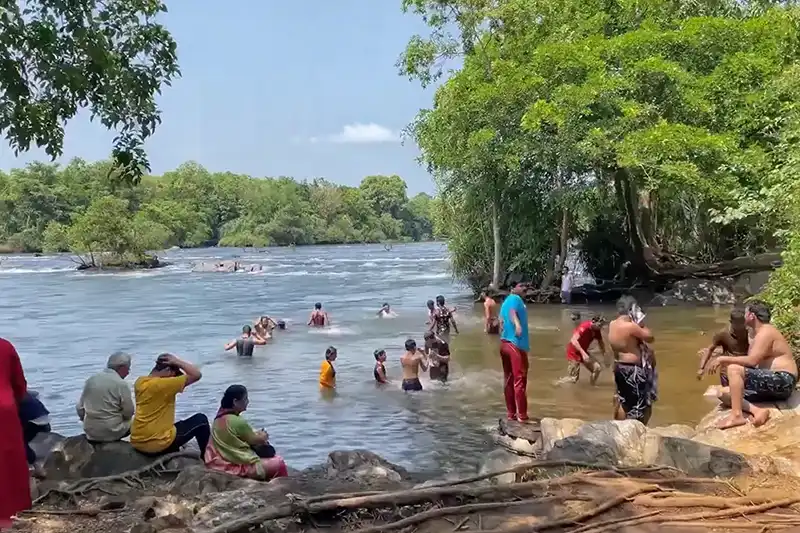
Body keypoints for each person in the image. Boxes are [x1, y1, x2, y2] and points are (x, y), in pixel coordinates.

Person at [708, 300, 799, 429]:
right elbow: (752, 363)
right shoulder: (757, 333)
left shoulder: (766, 332)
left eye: (745, 313)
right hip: (773, 385)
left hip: (783, 380)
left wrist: (722, 359)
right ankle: (758, 411)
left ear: (751, 316)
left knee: (734, 369)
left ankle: (736, 416)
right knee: (723, 393)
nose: (743, 317)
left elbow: (752, 361)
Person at [130, 354, 209, 457]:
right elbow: (196, 375)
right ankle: (207, 458)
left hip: (138, 441)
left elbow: (182, 377)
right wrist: (177, 362)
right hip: (156, 444)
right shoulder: (163, 385)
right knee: (201, 420)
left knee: (178, 425)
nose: (173, 378)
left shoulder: (140, 382)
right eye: (173, 375)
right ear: (167, 370)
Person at [204, 385, 288, 480]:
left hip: (219, 462)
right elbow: (256, 440)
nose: (248, 402)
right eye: (245, 399)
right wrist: (263, 436)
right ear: (235, 402)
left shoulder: (218, 419)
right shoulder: (236, 421)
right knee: (279, 462)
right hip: (232, 466)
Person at [609, 296, 657, 425]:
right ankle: (635, 434)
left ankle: (619, 428)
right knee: (639, 405)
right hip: (633, 369)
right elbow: (650, 337)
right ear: (632, 310)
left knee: (624, 401)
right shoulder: (630, 326)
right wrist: (641, 323)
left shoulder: (612, 324)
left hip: (619, 366)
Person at [0, 338, 31, 527]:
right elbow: (19, 382)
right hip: (5, 407)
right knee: (8, 461)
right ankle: (10, 513)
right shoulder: (4, 345)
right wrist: (17, 400)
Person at [76, 352, 135, 443]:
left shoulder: (91, 379)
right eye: (128, 369)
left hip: (91, 432)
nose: (128, 372)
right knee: (139, 420)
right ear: (122, 368)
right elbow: (129, 412)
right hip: (111, 431)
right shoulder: (121, 384)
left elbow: (79, 408)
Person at [499, 284, 530, 422]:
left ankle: (511, 414)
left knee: (509, 380)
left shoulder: (505, 301)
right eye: (522, 286)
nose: (526, 289)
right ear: (513, 287)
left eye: (527, 287)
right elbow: (512, 313)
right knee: (520, 381)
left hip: (505, 344)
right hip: (515, 345)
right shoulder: (516, 299)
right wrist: (517, 325)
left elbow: (500, 321)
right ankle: (522, 416)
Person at [697, 308, 749, 381]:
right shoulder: (722, 334)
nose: (740, 327)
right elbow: (710, 349)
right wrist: (701, 368)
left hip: (746, 370)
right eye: (737, 325)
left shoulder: (750, 332)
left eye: (742, 324)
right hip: (726, 372)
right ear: (731, 322)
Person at [566, 315, 607, 385]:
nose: (601, 327)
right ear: (594, 322)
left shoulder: (596, 330)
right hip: (574, 352)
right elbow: (573, 340)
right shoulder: (585, 327)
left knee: (597, 368)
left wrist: (605, 356)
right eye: (600, 325)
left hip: (583, 351)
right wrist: (583, 354)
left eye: (602, 325)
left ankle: (592, 387)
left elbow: (601, 343)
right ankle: (556, 384)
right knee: (573, 379)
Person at [19, 391, 49, 477]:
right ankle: (36, 468)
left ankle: (35, 469)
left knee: (19, 441)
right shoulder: (12, 390)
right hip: (43, 416)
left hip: (34, 420)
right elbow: (36, 393)